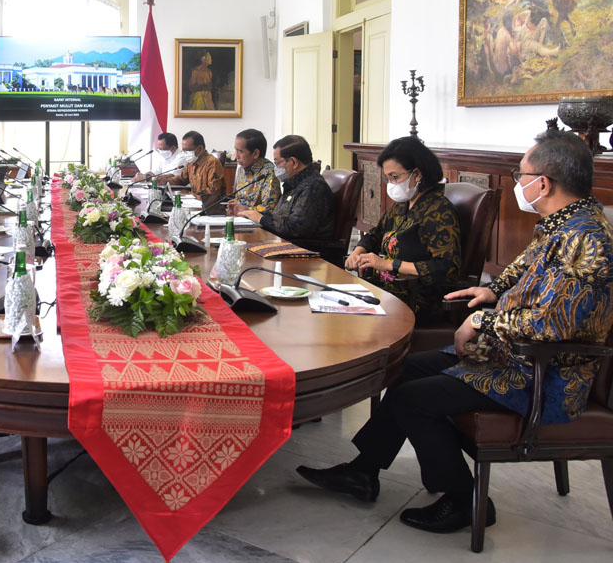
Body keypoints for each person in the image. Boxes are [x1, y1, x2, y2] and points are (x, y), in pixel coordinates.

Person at [296, 130, 613, 534]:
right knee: (405, 369)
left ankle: (462, 498)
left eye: (521, 175)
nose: (519, 183)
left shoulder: (585, 239)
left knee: (412, 399)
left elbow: (550, 325)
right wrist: (492, 289)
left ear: (544, 184)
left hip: (542, 374)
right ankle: (364, 471)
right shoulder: (562, 223)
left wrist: (481, 320)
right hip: (510, 353)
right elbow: (520, 272)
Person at [345, 136, 460, 324]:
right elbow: (375, 235)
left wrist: (389, 264)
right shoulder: (402, 205)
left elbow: (445, 268)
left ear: (418, 174)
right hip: (385, 292)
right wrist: (358, 252)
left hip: (417, 300)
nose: (391, 184)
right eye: (388, 178)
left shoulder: (439, 210)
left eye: (395, 177)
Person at [240, 134, 334, 242]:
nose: (276, 168)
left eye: (277, 162)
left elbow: (295, 229)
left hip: (306, 251)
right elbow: (278, 217)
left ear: (293, 162)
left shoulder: (313, 186)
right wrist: (250, 212)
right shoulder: (294, 183)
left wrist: (260, 218)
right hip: (286, 244)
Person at [157, 130, 224, 211]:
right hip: (195, 204)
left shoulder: (212, 163)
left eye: (188, 150)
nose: (185, 154)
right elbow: (181, 179)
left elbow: (213, 192)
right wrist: (166, 181)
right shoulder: (191, 163)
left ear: (199, 149)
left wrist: (190, 194)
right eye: (183, 150)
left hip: (210, 208)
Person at [228, 128, 280, 215]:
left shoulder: (268, 171)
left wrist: (247, 209)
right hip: (241, 220)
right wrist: (234, 205)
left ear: (255, 153)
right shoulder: (241, 169)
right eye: (236, 150)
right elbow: (240, 199)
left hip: (259, 224)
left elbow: (270, 208)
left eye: (240, 151)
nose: (236, 156)